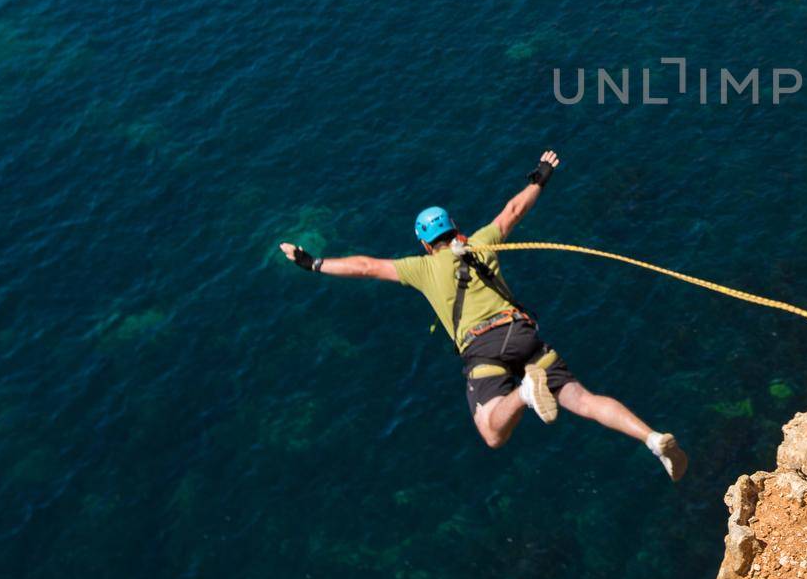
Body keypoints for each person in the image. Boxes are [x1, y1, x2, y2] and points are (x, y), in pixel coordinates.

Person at [278, 150, 687, 480]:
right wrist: (540, 175)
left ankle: (526, 394)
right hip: (524, 334)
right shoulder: (481, 242)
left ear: (424, 244)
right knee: (583, 399)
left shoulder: (419, 268)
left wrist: (313, 263)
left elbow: (366, 266)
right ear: (455, 229)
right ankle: (652, 439)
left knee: (492, 432)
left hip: (485, 346)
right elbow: (511, 212)